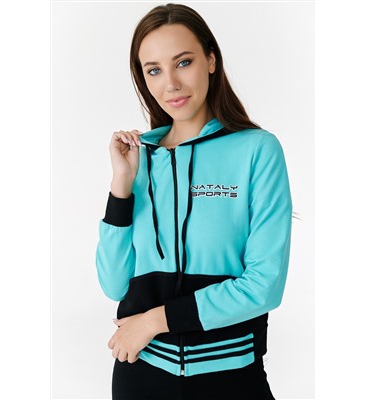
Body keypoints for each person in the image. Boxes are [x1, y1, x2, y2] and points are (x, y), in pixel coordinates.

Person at [95, 3, 292, 399]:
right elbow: (114, 284)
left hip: (231, 378)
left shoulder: (256, 150)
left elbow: (265, 286)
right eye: (154, 70)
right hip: (141, 377)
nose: (171, 84)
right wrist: (121, 187)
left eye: (183, 62)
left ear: (211, 60)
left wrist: (155, 321)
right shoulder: (139, 160)